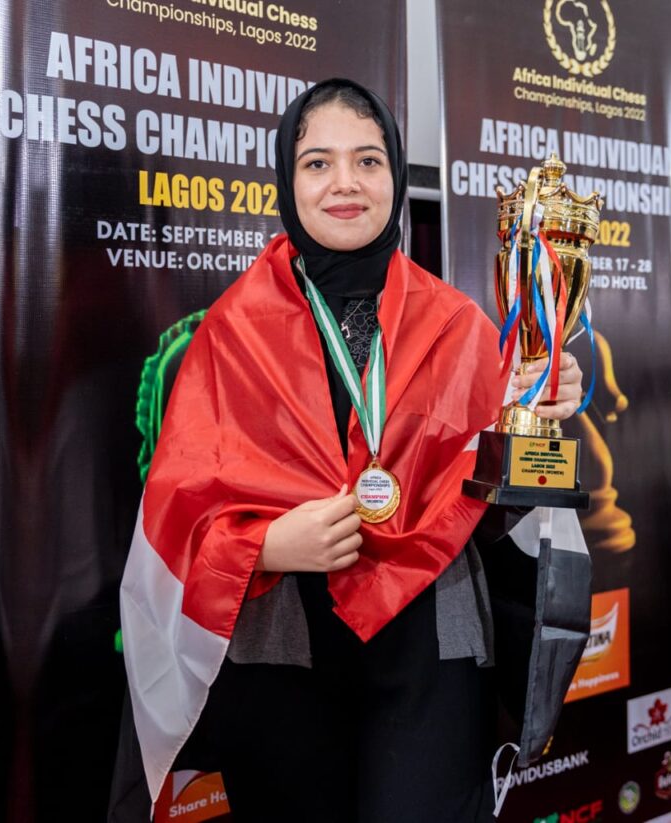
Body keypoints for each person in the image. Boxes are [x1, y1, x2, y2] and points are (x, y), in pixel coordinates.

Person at [119, 78, 583, 823]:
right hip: (284, 654)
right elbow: (179, 508)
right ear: (285, 178)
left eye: (368, 160)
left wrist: (537, 399)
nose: (345, 183)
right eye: (317, 163)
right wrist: (266, 543)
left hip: (433, 649)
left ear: (396, 177)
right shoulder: (231, 333)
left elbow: (491, 484)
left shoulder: (460, 325)